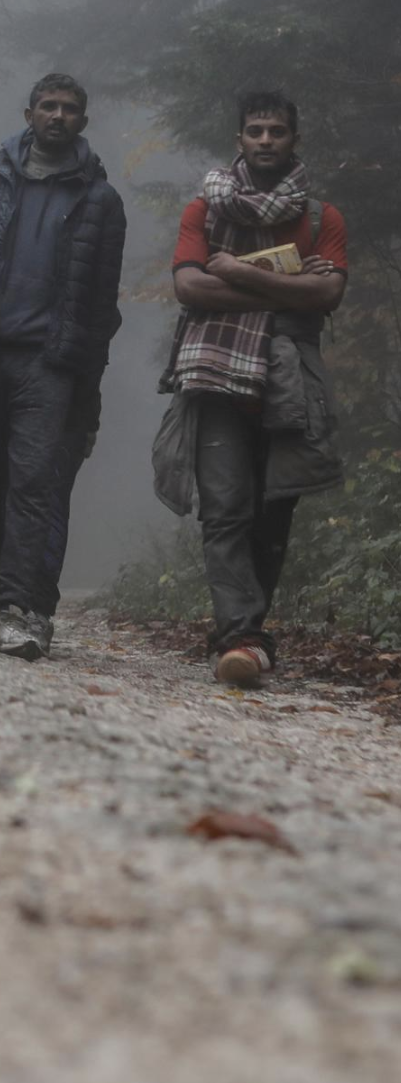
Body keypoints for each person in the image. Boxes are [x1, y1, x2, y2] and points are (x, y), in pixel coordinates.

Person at [0, 74, 126, 660]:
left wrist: (87, 394)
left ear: (82, 122)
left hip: (49, 362)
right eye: (49, 106)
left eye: (70, 109)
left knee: (32, 483)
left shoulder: (101, 200)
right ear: (29, 113)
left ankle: (21, 607)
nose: (58, 116)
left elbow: (100, 306)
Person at [165, 89, 346, 688]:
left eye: (276, 131)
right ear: (238, 140)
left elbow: (329, 296)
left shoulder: (322, 218)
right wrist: (288, 285)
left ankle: (247, 632)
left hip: (291, 378)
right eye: (255, 131)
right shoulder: (204, 211)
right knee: (224, 509)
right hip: (215, 376)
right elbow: (190, 290)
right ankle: (240, 635)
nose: (265, 140)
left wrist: (238, 271)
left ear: (294, 139)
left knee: (273, 511)